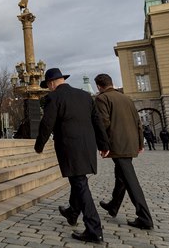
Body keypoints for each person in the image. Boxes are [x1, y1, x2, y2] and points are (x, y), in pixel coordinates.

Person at [35, 68, 109, 244]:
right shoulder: (84, 96)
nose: (49, 89)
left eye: (48, 86)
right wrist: (104, 144)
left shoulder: (54, 97)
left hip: (70, 147)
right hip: (87, 146)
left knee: (80, 184)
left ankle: (94, 229)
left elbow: (47, 123)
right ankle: (72, 212)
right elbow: (97, 121)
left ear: (52, 83)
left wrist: (39, 145)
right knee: (79, 180)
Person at [94, 73, 154, 230]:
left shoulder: (102, 98)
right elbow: (138, 122)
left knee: (129, 179)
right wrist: (140, 142)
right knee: (121, 175)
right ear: (111, 83)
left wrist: (103, 145)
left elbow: (104, 123)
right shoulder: (126, 98)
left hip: (117, 144)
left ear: (99, 86)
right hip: (131, 143)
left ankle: (144, 217)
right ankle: (114, 205)